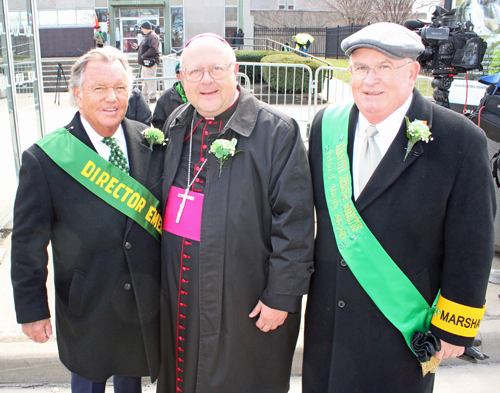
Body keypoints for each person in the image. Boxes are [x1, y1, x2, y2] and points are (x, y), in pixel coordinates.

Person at [302, 22, 496, 393]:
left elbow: (472, 241)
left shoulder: (460, 139)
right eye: (360, 67)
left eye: (384, 67)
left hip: (399, 325)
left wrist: (454, 327)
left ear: (412, 73)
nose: (369, 80)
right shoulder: (327, 124)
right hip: (329, 320)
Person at [157, 33, 314, 393]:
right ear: (181, 79)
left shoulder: (277, 131)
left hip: (243, 297)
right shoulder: (178, 122)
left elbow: (296, 222)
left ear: (236, 71)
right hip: (181, 291)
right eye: (195, 72)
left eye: (216, 69)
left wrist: (282, 296)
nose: (206, 80)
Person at [11, 46, 165, 393]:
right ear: (78, 94)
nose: (112, 98)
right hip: (86, 305)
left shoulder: (151, 142)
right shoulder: (46, 158)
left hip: (141, 303)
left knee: (132, 383)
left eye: (121, 88)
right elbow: (27, 244)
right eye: (99, 89)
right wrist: (32, 309)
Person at [151, 62, 187, 129]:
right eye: (185, 74)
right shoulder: (165, 98)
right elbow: (158, 122)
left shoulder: (203, 94)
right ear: (178, 76)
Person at [132, 21, 160, 103]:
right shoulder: (149, 36)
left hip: (149, 62)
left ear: (144, 28)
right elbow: (149, 48)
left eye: (141, 28)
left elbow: (153, 49)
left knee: (150, 80)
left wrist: (143, 55)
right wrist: (138, 48)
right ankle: (145, 96)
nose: (141, 30)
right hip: (146, 62)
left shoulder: (152, 36)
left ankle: (152, 96)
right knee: (145, 80)